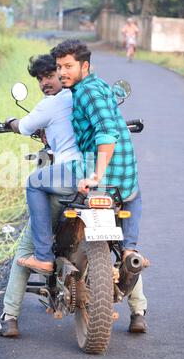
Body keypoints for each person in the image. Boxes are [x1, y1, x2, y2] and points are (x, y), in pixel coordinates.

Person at [50, 39, 148, 333]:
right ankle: (132, 258)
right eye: (58, 67)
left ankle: (45, 252)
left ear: (84, 66)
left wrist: (96, 175)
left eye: (68, 66)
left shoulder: (87, 94)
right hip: (124, 181)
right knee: (132, 206)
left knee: (39, 186)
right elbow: (112, 105)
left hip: (103, 176)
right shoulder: (99, 88)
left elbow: (106, 132)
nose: (62, 72)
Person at [0, 54, 82, 337]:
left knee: (27, 243)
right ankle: (139, 309)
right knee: (116, 241)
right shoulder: (84, 96)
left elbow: (23, 126)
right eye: (41, 78)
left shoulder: (51, 104)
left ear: (62, 71)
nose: (46, 82)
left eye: (50, 74)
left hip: (67, 179)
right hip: (99, 177)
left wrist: (9, 122)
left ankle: (9, 318)